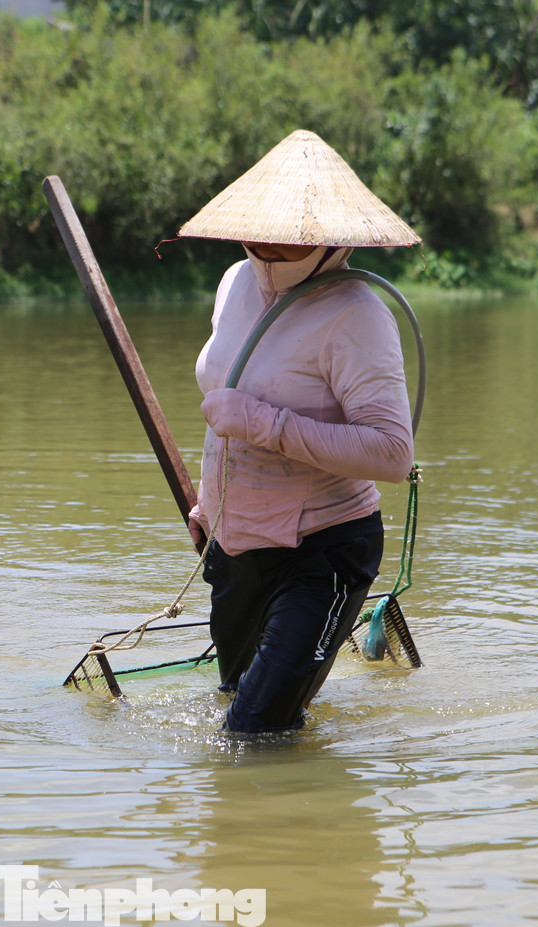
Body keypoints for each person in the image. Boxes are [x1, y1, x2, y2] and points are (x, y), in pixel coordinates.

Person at [178, 130, 420, 733]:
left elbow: (392, 454)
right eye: (257, 235)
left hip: (323, 551)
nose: (265, 252)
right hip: (237, 544)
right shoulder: (234, 283)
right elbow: (228, 391)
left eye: (286, 243)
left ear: (331, 241)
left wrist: (266, 425)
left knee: (252, 729)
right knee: (234, 697)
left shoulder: (356, 314)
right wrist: (213, 504)